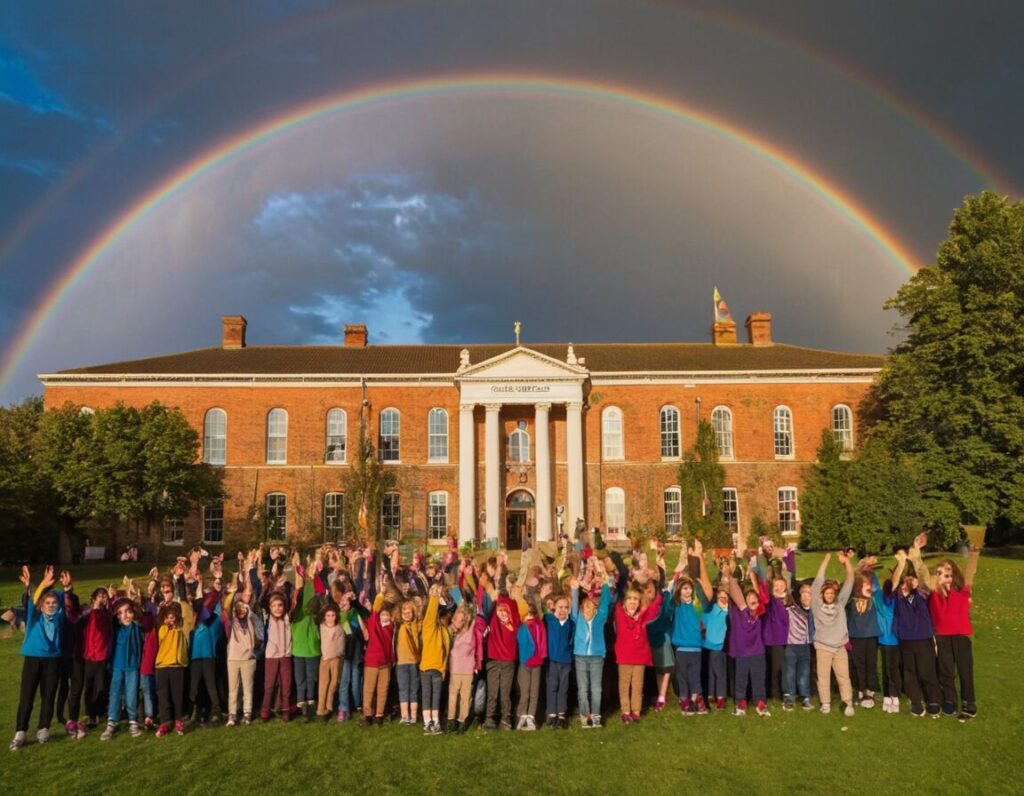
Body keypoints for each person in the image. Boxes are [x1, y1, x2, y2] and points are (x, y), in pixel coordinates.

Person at [10, 566, 65, 751]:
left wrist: (63, 585)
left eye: (53, 603)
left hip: (53, 660)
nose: (51, 605)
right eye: (47, 603)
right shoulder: (34, 617)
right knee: (27, 696)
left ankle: (43, 728)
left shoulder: (59, 616)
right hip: (33, 658)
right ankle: (21, 732)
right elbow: (32, 600)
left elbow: (66, 597)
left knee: (48, 695)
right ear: (41, 606)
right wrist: (40, 584)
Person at [892, 534, 942, 718]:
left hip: (923, 638)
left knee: (927, 671)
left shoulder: (922, 592)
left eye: (913, 580)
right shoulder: (898, 592)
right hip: (905, 639)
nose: (910, 582)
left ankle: (934, 701)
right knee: (910, 673)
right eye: (908, 579)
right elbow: (895, 580)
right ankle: (915, 702)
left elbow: (925, 578)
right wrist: (902, 562)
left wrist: (917, 557)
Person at [929, 545, 980, 720]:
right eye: (941, 571)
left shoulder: (963, 589)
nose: (945, 574)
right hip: (942, 636)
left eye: (948, 570)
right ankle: (950, 700)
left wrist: (973, 553)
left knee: (965, 670)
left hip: (961, 636)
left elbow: (971, 572)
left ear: (954, 573)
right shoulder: (933, 593)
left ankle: (969, 703)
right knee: (946, 670)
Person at [811, 551, 856, 717]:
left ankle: (848, 702)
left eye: (831, 593)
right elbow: (817, 583)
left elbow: (850, 580)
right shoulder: (816, 605)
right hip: (823, 647)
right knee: (823, 678)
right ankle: (826, 703)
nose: (829, 595)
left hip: (839, 647)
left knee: (843, 676)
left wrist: (846, 563)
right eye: (826, 593)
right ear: (822, 594)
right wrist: (826, 561)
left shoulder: (840, 603)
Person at [613, 584, 662, 723]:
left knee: (637, 686)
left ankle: (636, 711)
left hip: (640, 657)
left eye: (636, 599)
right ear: (625, 601)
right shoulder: (620, 613)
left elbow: (655, 606)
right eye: (630, 599)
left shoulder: (644, 616)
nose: (633, 602)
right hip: (624, 657)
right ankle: (625, 711)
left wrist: (662, 581)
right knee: (624, 686)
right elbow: (617, 593)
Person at [727, 560, 770, 717]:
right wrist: (731, 574)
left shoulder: (759, 613)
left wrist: (754, 578)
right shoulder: (740, 611)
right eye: (749, 597)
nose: (753, 600)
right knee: (741, 680)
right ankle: (741, 704)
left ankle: (760, 703)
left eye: (755, 598)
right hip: (742, 653)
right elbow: (733, 589)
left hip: (757, 652)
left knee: (759, 678)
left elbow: (764, 597)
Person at [571, 566, 612, 728]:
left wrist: (605, 584)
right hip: (580, 657)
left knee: (596, 688)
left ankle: (595, 715)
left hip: (596, 657)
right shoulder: (577, 617)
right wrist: (574, 590)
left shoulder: (600, 617)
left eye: (592, 607)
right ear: (581, 608)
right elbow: (574, 603)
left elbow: (606, 601)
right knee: (583, 689)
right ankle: (584, 715)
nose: (589, 609)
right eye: (586, 606)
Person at [155, 574, 195, 738]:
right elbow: (160, 623)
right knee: (163, 696)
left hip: (177, 665)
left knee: (177, 695)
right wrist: (164, 615)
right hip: (163, 665)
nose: (170, 618)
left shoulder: (181, 627)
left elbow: (184, 610)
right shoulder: (163, 628)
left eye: (173, 616)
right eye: (167, 616)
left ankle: (178, 719)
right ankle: (165, 722)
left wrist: (180, 580)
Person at [101, 594, 144, 740]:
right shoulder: (115, 629)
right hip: (117, 666)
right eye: (120, 613)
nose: (124, 615)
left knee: (131, 694)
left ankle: (133, 721)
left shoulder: (137, 628)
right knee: (115, 693)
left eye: (127, 611)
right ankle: (111, 722)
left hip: (132, 667)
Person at [482, 594, 521, 731]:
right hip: (494, 656)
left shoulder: (511, 606)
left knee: (503, 691)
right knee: (495, 691)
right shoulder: (494, 608)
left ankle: (503, 718)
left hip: (506, 658)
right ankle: (492, 718)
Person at [847, 557, 882, 709]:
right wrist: (860, 567)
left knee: (871, 664)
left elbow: (876, 587)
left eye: (870, 585)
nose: (868, 587)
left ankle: (871, 690)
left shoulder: (874, 599)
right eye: (865, 584)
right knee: (858, 664)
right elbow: (852, 580)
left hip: (872, 635)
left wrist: (869, 570)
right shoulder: (851, 600)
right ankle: (861, 690)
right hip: (856, 636)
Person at [418, 584, 452, 735]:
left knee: (436, 696)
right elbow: (431, 613)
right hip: (426, 668)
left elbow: (455, 607)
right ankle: (427, 722)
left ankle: (436, 722)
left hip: (439, 668)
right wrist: (434, 596)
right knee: (427, 695)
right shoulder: (428, 626)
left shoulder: (443, 630)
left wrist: (456, 591)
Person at [446, 602, 482, 733]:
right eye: (455, 619)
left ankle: (462, 720)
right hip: (454, 670)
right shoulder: (451, 632)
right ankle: (451, 719)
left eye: (460, 620)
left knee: (465, 697)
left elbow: (476, 615)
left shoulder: (471, 631)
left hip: (467, 670)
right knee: (453, 696)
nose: (457, 622)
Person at [543, 592, 574, 729]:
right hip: (552, 661)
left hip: (565, 661)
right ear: (554, 607)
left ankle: (561, 713)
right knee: (552, 687)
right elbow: (541, 610)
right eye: (560, 607)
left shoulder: (570, 623)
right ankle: (551, 713)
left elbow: (571, 641)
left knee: (563, 687)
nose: (563, 610)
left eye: (566, 607)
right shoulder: (549, 620)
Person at [515, 595, 546, 731]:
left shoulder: (539, 625)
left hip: (536, 662)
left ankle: (531, 716)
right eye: (528, 614)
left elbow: (542, 642)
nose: (530, 616)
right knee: (525, 691)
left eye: (532, 613)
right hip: (525, 662)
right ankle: (522, 715)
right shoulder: (522, 627)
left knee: (534, 691)